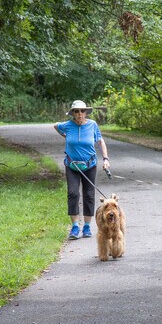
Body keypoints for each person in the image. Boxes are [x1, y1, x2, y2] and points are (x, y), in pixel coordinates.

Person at [54, 100, 110, 240]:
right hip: (72, 165)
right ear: (72, 113)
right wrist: (65, 136)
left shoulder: (92, 125)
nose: (80, 114)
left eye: (82, 111)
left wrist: (105, 159)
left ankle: (86, 226)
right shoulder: (67, 126)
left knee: (89, 195)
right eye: (76, 111)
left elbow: (100, 141)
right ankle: (74, 227)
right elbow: (55, 125)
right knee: (73, 193)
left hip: (89, 165)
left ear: (86, 112)